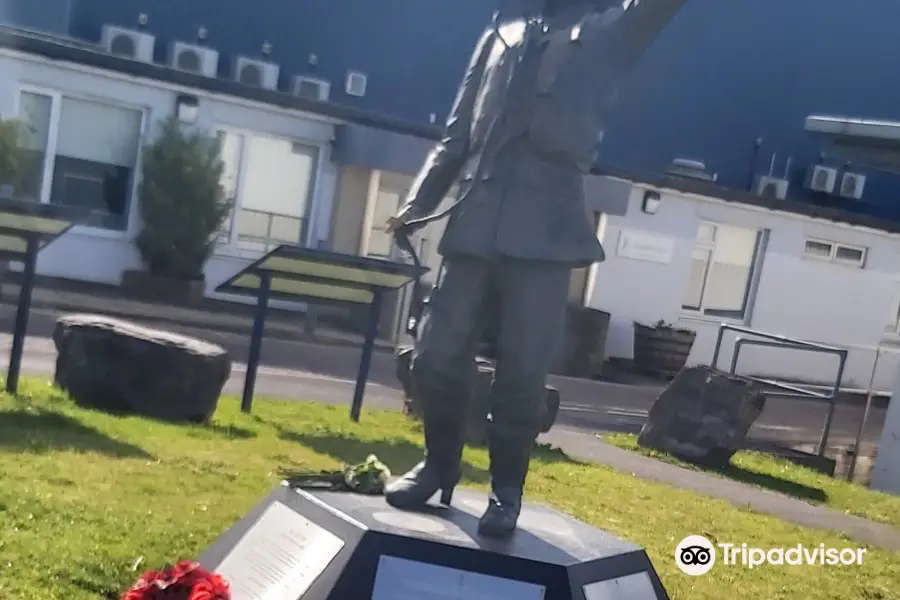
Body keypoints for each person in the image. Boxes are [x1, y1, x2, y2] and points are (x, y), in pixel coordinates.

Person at [384, 0, 690, 538]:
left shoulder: (611, 29)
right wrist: (417, 202)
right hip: (474, 221)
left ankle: (506, 493)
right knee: (434, 356)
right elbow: (457, 137)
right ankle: (439, 466)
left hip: (546, 231)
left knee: (522, 375)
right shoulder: (500, 33)